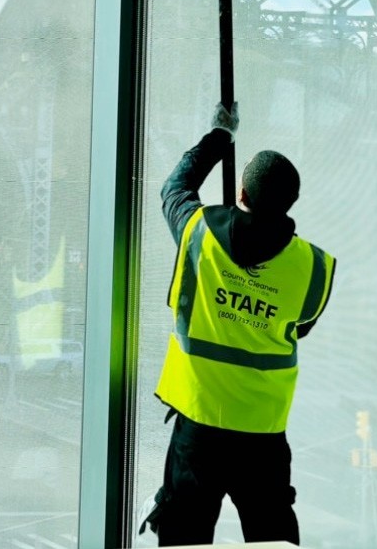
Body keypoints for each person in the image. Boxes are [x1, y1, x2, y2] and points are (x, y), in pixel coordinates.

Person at [139, 102, 336, 546]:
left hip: (199, 426)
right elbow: (299, 326)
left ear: (241, 195)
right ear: (289, 204)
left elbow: (176, 186)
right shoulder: (313, 267)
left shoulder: (199, 234)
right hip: (262, 436)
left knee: (184, 538)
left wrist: (219, 136)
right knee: (272, 538)